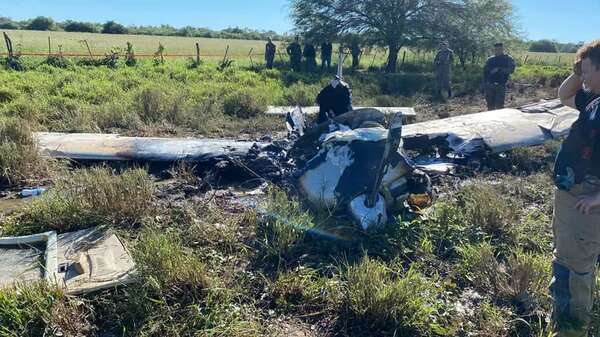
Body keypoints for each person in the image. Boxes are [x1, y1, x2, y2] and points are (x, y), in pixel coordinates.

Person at [550, 39, 600, 337]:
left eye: (588, 71)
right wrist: (579, 70)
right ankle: (564, 316)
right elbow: (564, 94)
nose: (584, 78)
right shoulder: (594, 99)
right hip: (573, 192)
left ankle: (572, 328)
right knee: (567, 255)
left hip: (587, 196)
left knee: (577, 264)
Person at [483, 42, 515, 110]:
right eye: (496, 49)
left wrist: (499, 69)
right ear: (494, 50)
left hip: (501, 85)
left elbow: (511, 70)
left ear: (503, 49)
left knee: (499, 106)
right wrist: (484, 84)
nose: (497, 51)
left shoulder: (508, 58)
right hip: (490, 85)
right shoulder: (490, 59)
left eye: (499, 49)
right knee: (490, 106)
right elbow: (485, 72)